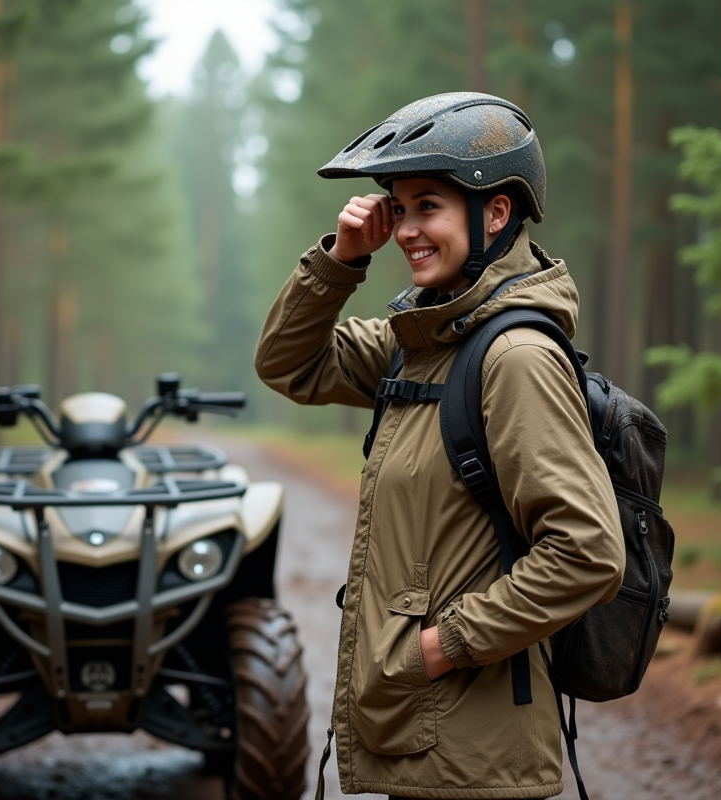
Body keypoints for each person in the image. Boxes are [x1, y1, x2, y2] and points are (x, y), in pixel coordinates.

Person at [254, 93, 626, 799]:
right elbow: (287, 363)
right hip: (429, 745)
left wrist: (441, 646)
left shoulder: (514, 357)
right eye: (398, 208)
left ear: (496, 213)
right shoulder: (425, 348)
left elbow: (586, 551)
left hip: (472, 753)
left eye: (428, 206)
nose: (404, 230)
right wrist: (340, 260)